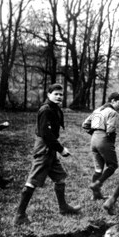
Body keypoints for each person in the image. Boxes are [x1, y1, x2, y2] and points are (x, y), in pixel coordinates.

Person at [13, 84, 81, 226]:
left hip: (50, 148)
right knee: (32, 181)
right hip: (44, 148)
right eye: (56, 94)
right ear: (48, 94)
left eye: (61, 94)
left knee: (60, 178)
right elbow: (45, 133)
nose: (59, 97)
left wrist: (57, 148)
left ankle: (63, 207)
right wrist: (61, 149)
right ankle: (19, 215)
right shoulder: (45, 110)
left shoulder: (54, 108)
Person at [84, 92, 119, 200]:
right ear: (112, 101)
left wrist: (94, 133)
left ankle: (96, 195)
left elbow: (85, 124)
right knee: (113, 165)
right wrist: (110, 142)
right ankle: (98, 183)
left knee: (98, 169)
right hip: (104, 139)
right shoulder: (112, 112)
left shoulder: (97, 110)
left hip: (93, 140)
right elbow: (111, 129)